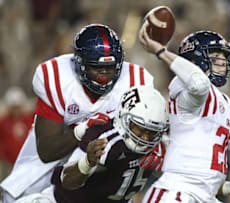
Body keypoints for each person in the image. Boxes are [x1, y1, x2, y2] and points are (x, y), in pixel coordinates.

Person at [1, 23, 154, 202]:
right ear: (79, 64)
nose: (104, 74)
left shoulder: (135, 83)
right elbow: (47, 151)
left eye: (110, 67)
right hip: (41, 172)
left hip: (94, 176)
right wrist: (84, 129)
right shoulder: (59, 79)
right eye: (96, 67)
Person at [139, 23, 230, 202]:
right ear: (193, 60)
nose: (222, 60)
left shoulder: (226, 103)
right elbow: (198, 84)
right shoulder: (185, 88)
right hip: (176, 192)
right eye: (215, 55)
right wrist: (162, 52)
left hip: (206, 195)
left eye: (224, 55)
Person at [14, 86, 169, 203]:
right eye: (139, 128)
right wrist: (87, 163)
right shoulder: (106, 139)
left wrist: (169, 167)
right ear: (123, 117)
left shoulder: (163, 146)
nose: (145, 137)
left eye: (152, 132)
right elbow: (66, 180)